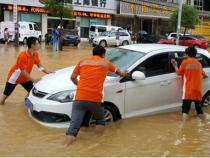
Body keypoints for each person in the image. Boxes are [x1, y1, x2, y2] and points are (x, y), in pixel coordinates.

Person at [65, 45, 128, 146]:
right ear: (103, 54)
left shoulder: (82, 61)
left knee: (73, 128)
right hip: (95, 99)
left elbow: (72, 77)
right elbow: (120, 73)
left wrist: (79, 86)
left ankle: (66, 147)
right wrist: (125, 73)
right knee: (100, 120)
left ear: (93, 53)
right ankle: (97, 144)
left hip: (79, 98)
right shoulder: (106, 63)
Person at [0, 37, 51, 105]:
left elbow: (39, 66)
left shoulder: (35, 54)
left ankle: (28, 102)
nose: (39, 45)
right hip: (14, 78)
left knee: (33, 92)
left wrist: (48, 72)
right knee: (4, 97)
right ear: (33, 45)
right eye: (38, 43)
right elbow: (23, 71)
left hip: (25, 78)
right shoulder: (22, 56)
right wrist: (33, 80)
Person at [171, 46, 207, 121]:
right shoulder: (199, 64)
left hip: (188, 91)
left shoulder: (185, 62)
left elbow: (178, 73)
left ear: (187, 54)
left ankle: (184, 127)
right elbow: (204, 75)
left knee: (185, 110)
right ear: (195, 54)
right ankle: (204, 122)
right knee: (199, 110)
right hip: (197, 90)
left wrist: (175, 65)